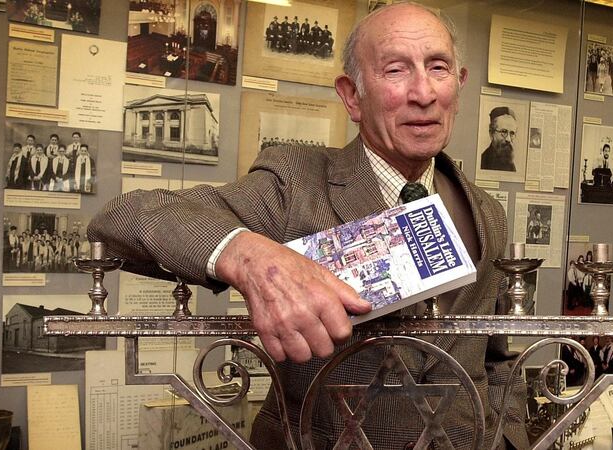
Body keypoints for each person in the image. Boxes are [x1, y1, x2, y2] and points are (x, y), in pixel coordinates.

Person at [88, 4, 528, 449]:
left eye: (438, 67)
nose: (424, 92)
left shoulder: (487, 211)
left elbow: (497, 358)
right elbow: (124, 217)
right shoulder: (295, 180)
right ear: (352, 96)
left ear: (459, 83)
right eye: (396, 70)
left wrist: (512, 440)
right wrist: (252, 256)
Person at [480, 106, 518, 172]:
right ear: (491, 133)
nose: (508, 139)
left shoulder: (511, 164)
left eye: (512, 133)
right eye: (504, 131)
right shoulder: (483, 161)